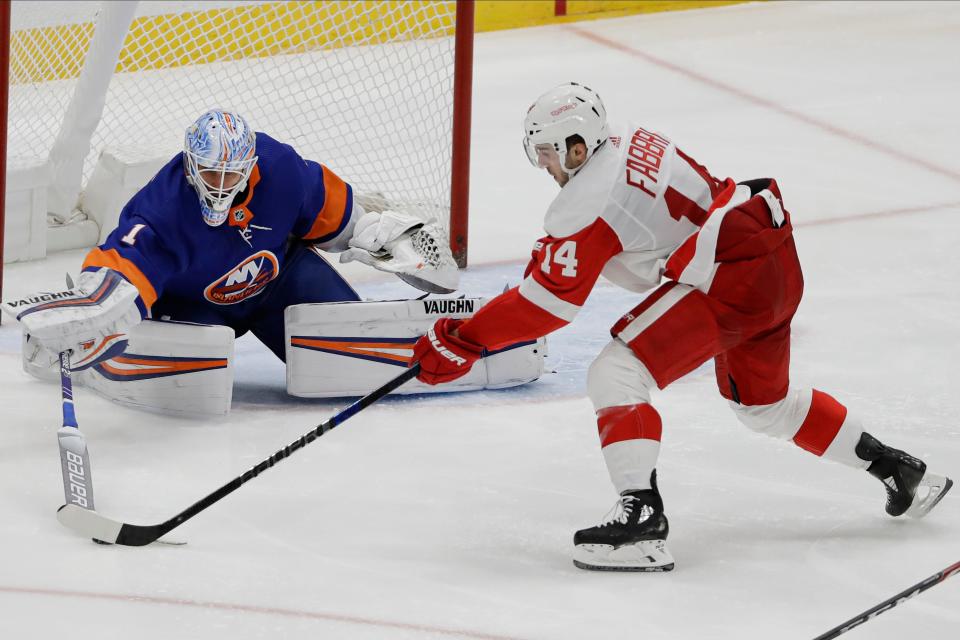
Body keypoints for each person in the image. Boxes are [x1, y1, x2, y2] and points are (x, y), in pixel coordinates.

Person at [409, 82, 953, 572]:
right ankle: (898, 468)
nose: (546, 166)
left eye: (549, 152)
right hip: (772, 260)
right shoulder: (632, 141)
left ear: (578, 146)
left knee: (616, 373)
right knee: (765, 406)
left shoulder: (584, 201)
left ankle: (642, 521)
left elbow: (548, 306)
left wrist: (461, 339)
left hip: (727, 281)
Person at [3, 109, 456, 374]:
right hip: (195, 307)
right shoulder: (160, 209)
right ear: (190, 163)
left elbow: (343, 221)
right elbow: (121, 271)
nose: (221, 183)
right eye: (210, 171)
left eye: (232, 173)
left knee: (351, 359)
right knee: (200, 365)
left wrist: (389, 239)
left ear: (251, 163)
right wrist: (93, 314)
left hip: (282, 282)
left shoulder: (282, 171)